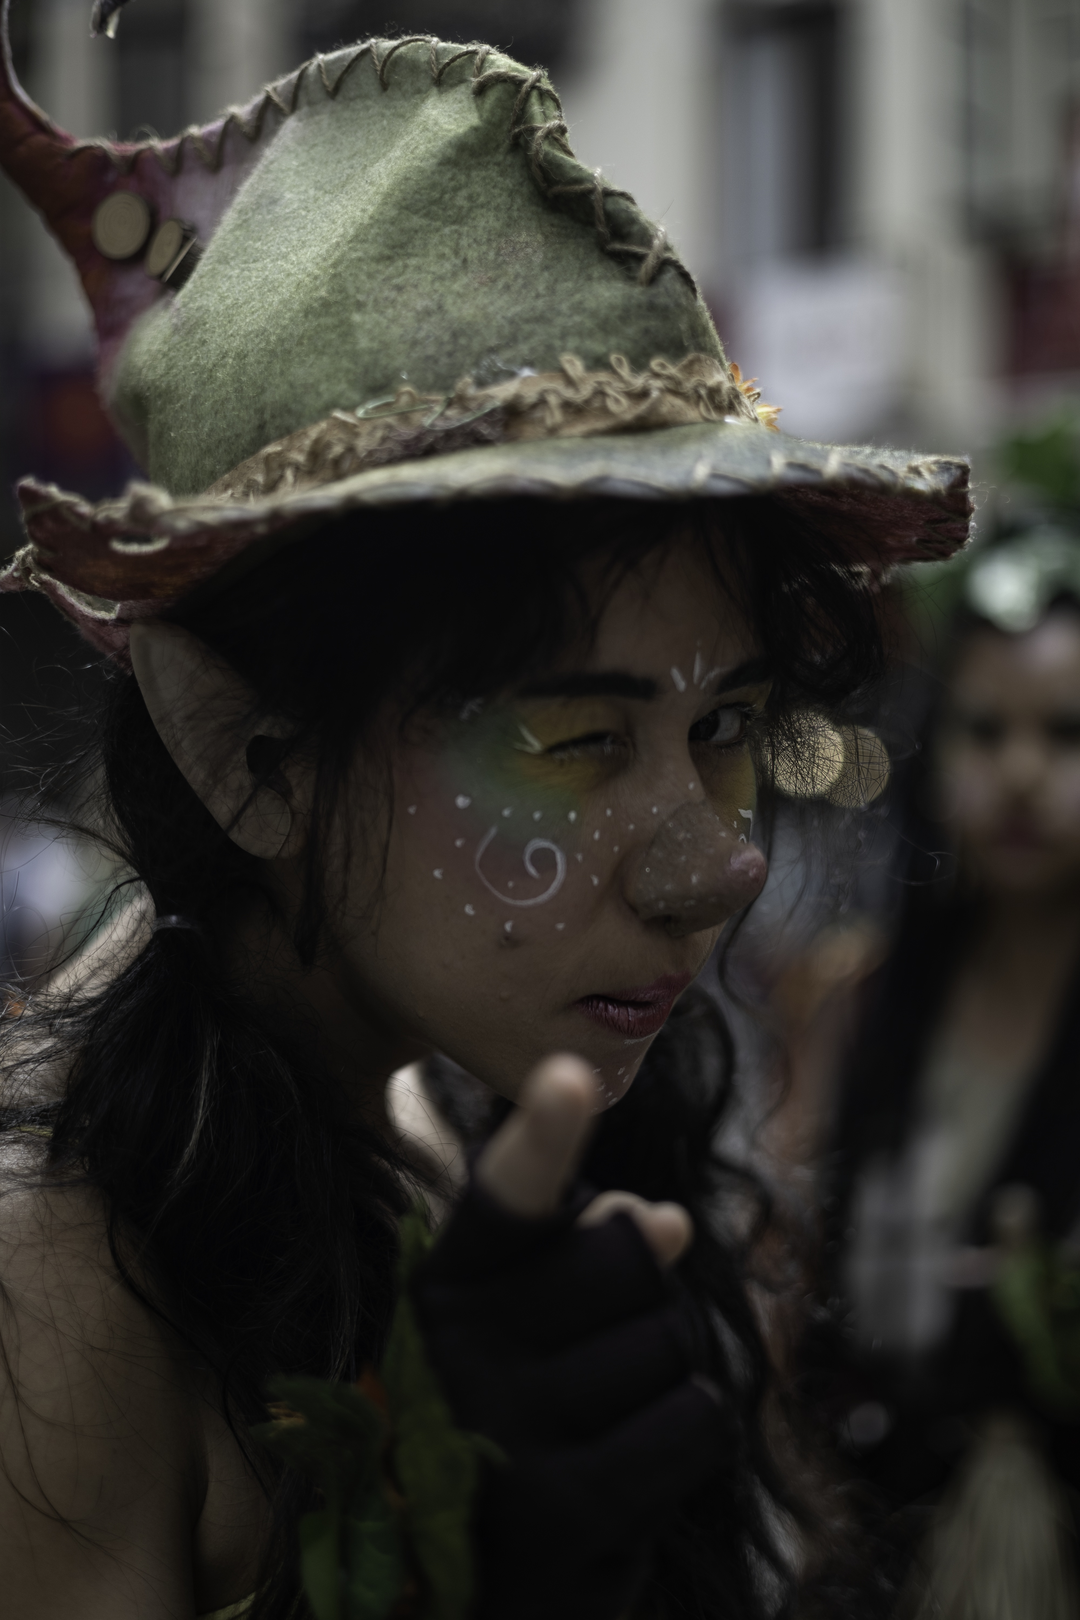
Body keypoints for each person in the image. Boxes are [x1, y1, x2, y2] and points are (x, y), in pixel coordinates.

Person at [0, 3, 971, 1615]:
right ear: (246, 752)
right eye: (580, 744)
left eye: (724, 724)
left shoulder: (429, 1108)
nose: (719, 863)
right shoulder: (62, 1284)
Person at [815, 532, 1080, 1611]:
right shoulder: (862, 999)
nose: (1021, 772)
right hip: (888, 1538)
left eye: (1067, 734)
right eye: (986, 730)